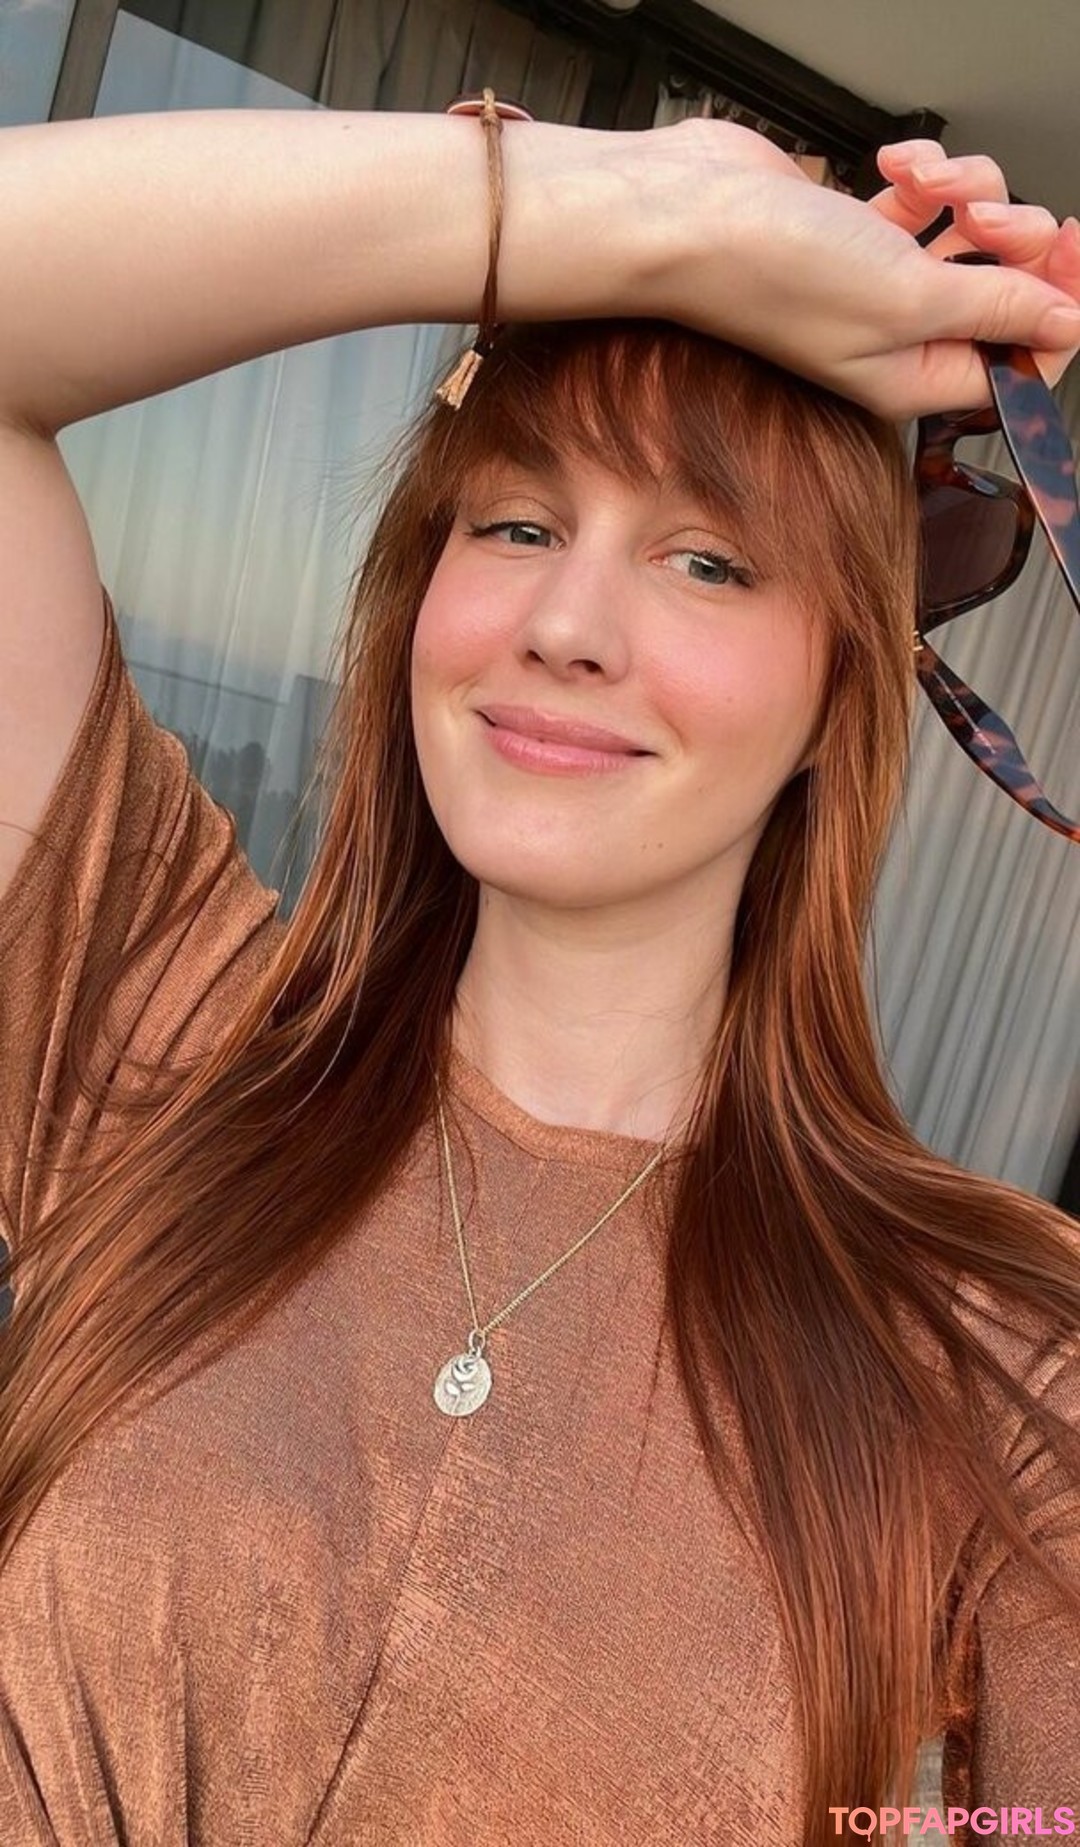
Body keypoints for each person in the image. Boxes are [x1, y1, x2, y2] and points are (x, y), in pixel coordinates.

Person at [0, 100, 1078, 1847]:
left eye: (708, 560)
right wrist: (639, 206)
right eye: (513, 526)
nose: (565, 627)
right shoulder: (168, 1047)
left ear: (839, 698)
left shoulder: (1003, 1358)